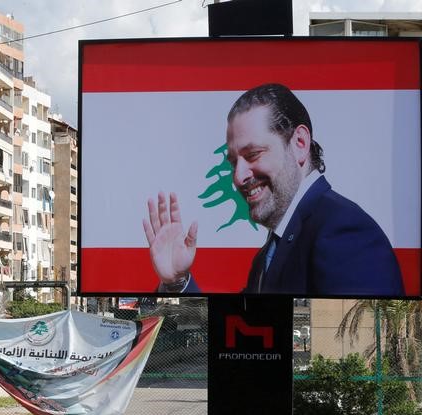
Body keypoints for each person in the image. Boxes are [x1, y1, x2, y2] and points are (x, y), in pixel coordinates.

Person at [142, 83, 404, 297]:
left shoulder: (343, 232)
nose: (238, 176)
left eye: (253, 154)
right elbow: (235, 330)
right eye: (234, 162)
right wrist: (177, 281)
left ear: (300, 143)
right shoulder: (267, 255)